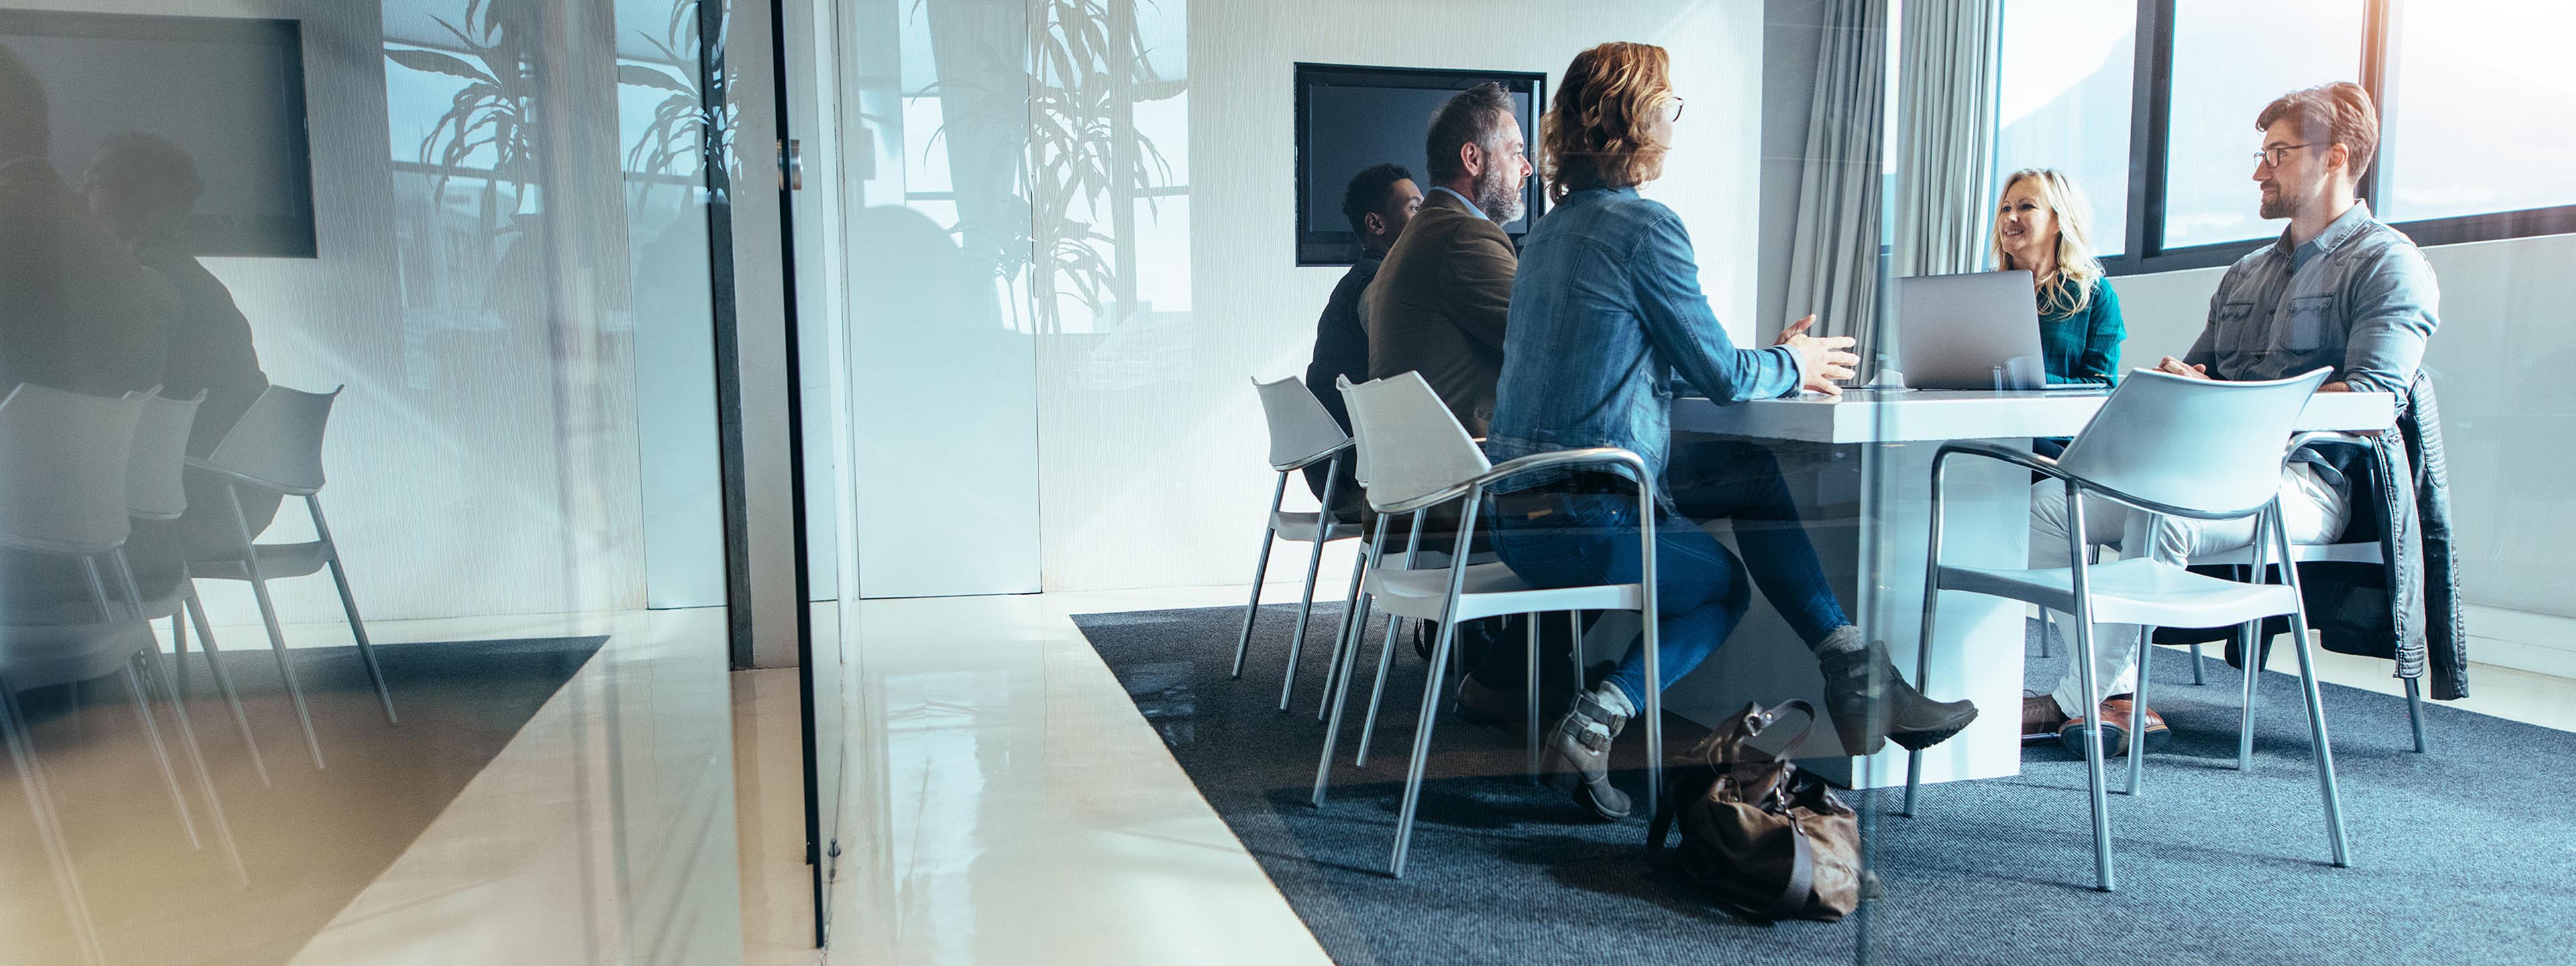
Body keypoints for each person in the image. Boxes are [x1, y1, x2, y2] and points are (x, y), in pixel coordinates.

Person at [1484, 42, 1975, 820]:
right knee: (1723, 589)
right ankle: (1597, 719)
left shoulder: (1547, 234)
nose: (1675, 122)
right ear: (1637, 117)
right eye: (1669, 105)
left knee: (1751, 472)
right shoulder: (1646, 228)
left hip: (1516, 514)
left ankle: (1856, 673)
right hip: (1590, 516)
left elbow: (1636, 362)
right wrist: (1793, 359)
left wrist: (1767, 359)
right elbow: (1721, 377)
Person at [2021, 82, 2441, 756]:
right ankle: (2115, 689)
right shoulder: (2246, 272)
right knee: (2048, 505)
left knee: (2161, 508)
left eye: (2277, 153)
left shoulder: (2390, 264)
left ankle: (2073, 702)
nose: (2258, 170)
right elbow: (2200, 375)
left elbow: (2376, 400)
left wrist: (2232, 405)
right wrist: (2183, 383)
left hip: (2306, 481)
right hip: (2200, 473)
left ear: (2335, 159)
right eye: (2261, 152)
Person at [80, 132, 277, 562]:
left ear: (145, 203)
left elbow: (110, 396)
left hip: (187, 508)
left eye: (95, 181)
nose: (80, 194)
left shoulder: (149, 284)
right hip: (235, 498)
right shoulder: (193, 279)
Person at [1362, 81, 1529, 437]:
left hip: (1418, 476)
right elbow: (1542, 342)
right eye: (1516, 153)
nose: (1527, 168)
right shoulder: (1463, 236)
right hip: (1466, 481)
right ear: (1473, 159)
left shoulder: (1426, 229)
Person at [1303, 162, 1420, 520]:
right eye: (1415, 207)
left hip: (1339, 469)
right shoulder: (1377, 286)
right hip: (1357, 478)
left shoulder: (1365, 278)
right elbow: (1403, 356)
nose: (1427, 216)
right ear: (1376, 224)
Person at [1992, 167, 2123, 458]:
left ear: (2058, 221)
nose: (2009, 218)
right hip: (1987, 428)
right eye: (2005, 208)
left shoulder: (2095, 295)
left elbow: (2101, 388)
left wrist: (2028, 380)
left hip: (2055, 441)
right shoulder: (1985, 291)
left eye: (2026, 207)